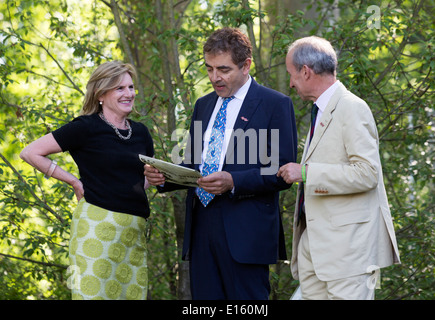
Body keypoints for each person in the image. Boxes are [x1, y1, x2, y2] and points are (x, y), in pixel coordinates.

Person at [144, 27, 297, 300]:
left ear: (246, 65)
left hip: (246, 234)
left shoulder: (275, 104)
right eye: (209, 68)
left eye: (224, 70)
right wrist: (165, 178)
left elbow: (283, 170)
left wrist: (233, 181)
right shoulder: (203, 105)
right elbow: (193, 165)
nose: (215, 77)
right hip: (201, 229)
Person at [278, 36, 401, 300]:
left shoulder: (352, 108)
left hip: (348, 254)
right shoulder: (320, 110)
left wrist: (306, 173)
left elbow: (367, 173)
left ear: (306, 72)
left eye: (291, 75)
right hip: (315, 248)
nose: (290, 83)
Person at [20, 61, 154, 300]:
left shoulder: (142, 132)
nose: (129, 94)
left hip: (133, 234)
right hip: (96, 229)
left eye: (131, 87)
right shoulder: (86, 127)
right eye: (120, 88)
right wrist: (73, 181)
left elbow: (144, 180)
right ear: (101, 94)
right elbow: (30, 153)